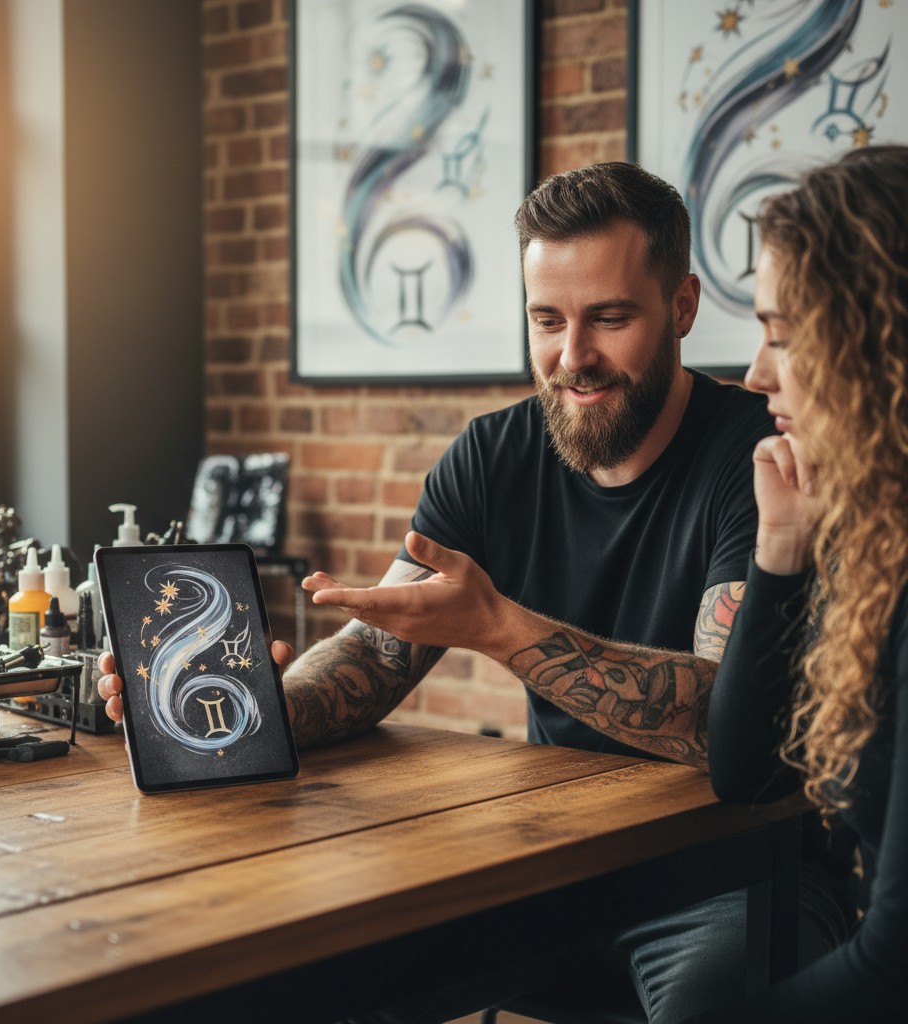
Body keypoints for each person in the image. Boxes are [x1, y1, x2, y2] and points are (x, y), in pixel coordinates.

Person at [99, 163, 841, 1023]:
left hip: (729, 870)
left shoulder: (762, 457)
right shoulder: (490, 458)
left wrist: (500, 629)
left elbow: (726, 727)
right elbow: (374, 655)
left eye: (609, 318)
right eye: (547, 320)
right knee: (319, 972)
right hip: (547, 861)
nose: (574, 358)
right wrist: (254, 711)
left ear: (680, 307)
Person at [689, 147, 908, 1022]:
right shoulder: (876, 541)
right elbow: (746, 772)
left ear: (879, 340)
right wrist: (782, 544)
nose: (755, 373)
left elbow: (892, 969)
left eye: (784, 333)